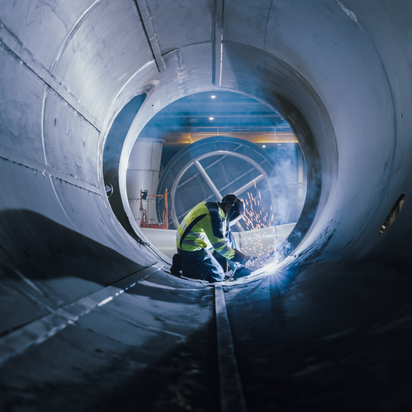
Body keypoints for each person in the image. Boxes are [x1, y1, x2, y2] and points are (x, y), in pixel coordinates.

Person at [170, 194, 253, 282]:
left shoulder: (213, 208)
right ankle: (183, 264)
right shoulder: (213, 216)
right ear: (228, 207)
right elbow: (219, 246)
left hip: (191, 242)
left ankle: (237, 269)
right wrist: (240, 258)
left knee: (228, 235)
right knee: (218, 275)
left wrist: (237, 260)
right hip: (190, 249)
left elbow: (224, 235)